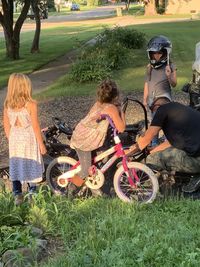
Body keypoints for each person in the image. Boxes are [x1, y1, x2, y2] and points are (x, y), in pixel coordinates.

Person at [127, 97, 200, 193]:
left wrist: (127, 153)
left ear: (156, 106)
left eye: (151, 109)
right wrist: (151, 150)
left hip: (196, 161)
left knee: (153, 159)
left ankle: (135, 187)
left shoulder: (162, 109)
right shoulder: (180, 111)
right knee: (158, 154)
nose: (153, 114)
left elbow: (148, 137)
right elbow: (170, 143)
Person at [69, 79, 126, 195]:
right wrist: (122, 112)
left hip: (86, 134)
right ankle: (70, 190)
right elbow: (122, 128)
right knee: (85, 171)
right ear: (116, 95)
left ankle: (98, 188)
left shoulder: (99, 103)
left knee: (96, 161)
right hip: (84, 140)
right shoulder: (112, 108)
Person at [3, 73, 47, 205]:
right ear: (25, 87)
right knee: (31, 163)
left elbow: (6, 126)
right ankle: (32, 193)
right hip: (28, 139)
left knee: (16, 163)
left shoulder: (7, 105)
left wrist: (12, 139)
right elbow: (35, 126)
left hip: (15, 139)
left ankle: (17, 194)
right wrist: (41, 144)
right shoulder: (31, 104)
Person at [143, 35, 177, 146]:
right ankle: (154, 146)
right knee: (154, 126)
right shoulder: (149, 67)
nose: (157, 56)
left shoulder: (170, 65)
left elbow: (174, 83)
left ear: (165, 53)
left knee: (166, 125)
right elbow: (147, 83)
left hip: (164, 102)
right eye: (154, 53)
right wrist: (144, 99)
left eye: (159, 53)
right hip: (152, 101)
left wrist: (169, 75)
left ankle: (167, 146)